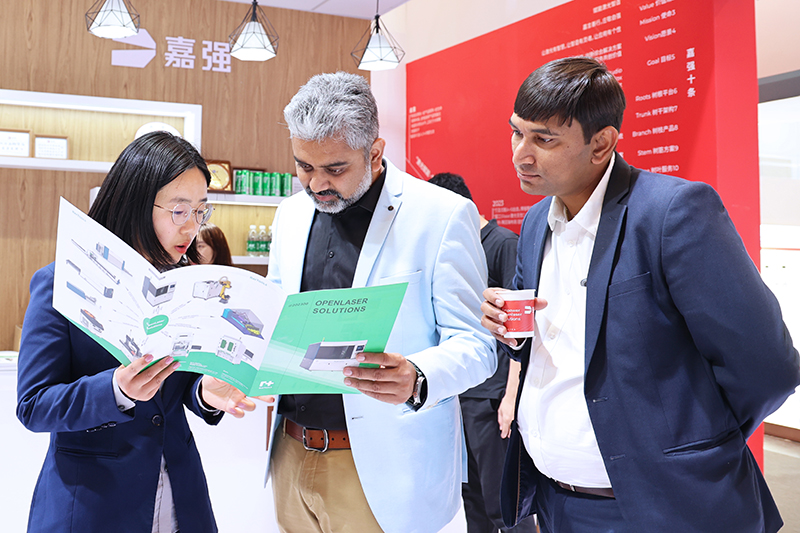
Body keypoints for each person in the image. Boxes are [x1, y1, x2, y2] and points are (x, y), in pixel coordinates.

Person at [480, 56, 800, 533]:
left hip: (664, 508)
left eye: (544, 140)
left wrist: (697, 445)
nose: (521, 155)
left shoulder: (671, 213)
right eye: (516, 132)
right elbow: (560, 346)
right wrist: (509, 331)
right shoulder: (534, 223)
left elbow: (768, 367)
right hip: (556, 503)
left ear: (602, 143)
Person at [265, 72, 496, 533]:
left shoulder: (441, 215)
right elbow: (275, 310)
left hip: (383, 465)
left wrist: (417, 376)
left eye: (335, 169)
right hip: (290, 452)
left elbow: (477, 345)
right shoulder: (290, 214)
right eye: (304, 166)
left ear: (374, 152)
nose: (316, 184)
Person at [16, 131, 257, 533]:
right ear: (138, 203)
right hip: (92, 504)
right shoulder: (62, 282)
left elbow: (178, 386)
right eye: (179, 211)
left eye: (201, 211)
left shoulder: (187, 283)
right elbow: (34, 405)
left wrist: (204, 391)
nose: (192, 228)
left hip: (180, 494)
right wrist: (116, 390)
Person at [428, 172, 536, 533]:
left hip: (492, 398)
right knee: (471, 497)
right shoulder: (455, 250)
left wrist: (511, 398)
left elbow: (521, 333)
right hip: (460, 392)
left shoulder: (503, 244)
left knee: (503, 503)